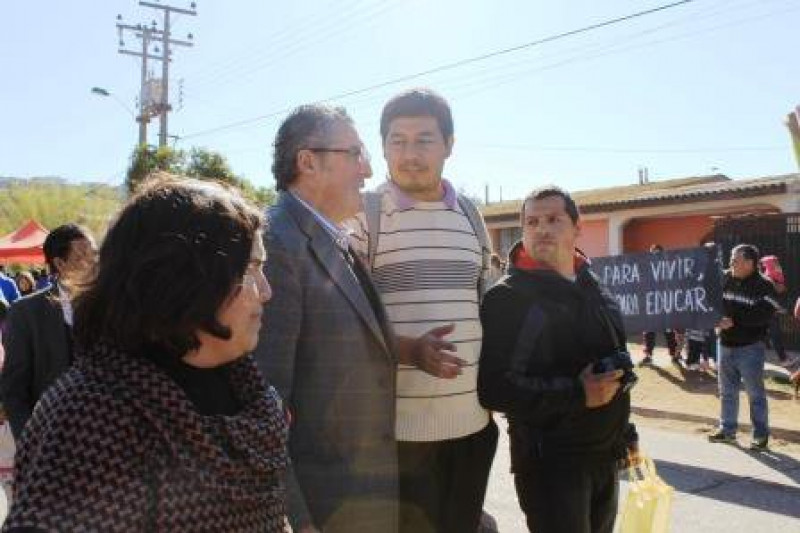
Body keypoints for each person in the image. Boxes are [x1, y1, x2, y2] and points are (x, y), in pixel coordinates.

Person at [2, 176, 290, 532]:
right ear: (184, 279)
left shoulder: (250, 392)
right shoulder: (91, 418)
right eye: (251, 268)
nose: (266, 291)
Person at [254, 104, 464, 533]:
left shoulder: (335, 238)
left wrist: (408, 349)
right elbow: (263, 404)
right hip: (322, 507)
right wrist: (296, 518)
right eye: (355, 153)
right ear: (308, 162)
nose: (368, 169)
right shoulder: (278, 245)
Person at [349, 88, 498, 533]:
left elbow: (482, 301)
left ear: (449, 145)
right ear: (382, 147)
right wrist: (411, 349)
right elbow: (343, 322)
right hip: (399, 436)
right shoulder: (365, 216)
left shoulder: (471, 215)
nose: (409, 154)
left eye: (424, 140)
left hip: (473, 428)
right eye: (398, 141)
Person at [478, 186, 638, 533]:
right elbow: (494, 389)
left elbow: (612, 358)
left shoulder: (592, 284)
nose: (542, 229)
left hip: (605, 457)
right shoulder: (508, 298)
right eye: (532, 221)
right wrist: (578, 394)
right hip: (552, 466)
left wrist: (626, 433)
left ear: (577, 227)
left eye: (554, 219)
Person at [0, 224, 97, 439]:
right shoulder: (26, 313)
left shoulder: (112, 308)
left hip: (104, 440)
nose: (93, 263)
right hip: (50, 440)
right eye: (83, 256)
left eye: (95, 254)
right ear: (60, 264)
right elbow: (14, 389)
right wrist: (30, 441)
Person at [708, 244, 780, 450]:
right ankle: (727, 430)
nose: (731, 263)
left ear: (750, 263)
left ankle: (760, 435)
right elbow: (709, 301)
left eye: (735, 260)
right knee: (727, 391)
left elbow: (765, 314)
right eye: (731, 259)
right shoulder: (723, 278)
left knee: (755, 393)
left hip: (750, 348)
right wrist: (716, 319)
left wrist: (735, 321)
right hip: (724, 345)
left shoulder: (764, 285)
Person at [640, 244, 679, 365]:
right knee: (649, 331)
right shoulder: (647, 269)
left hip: (665, 303)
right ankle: (648, 354)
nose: (655, 256)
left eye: (657, 253)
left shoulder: (668, 268)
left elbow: (673, 283)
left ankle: (674, 354)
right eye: (653, 253)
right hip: (651, 304)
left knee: (669, 331)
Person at [759, 255, 789, 363]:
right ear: (770, 264)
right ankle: (783, 359)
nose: (777, 264)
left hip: (769, 311)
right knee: (774, 335)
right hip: (767, 312)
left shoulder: (774, 275)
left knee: (771, 335)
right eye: (775, 262)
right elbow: (767, 297)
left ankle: (783, 358)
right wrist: (778, 307)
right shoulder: (769, 278)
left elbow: (780, 290)